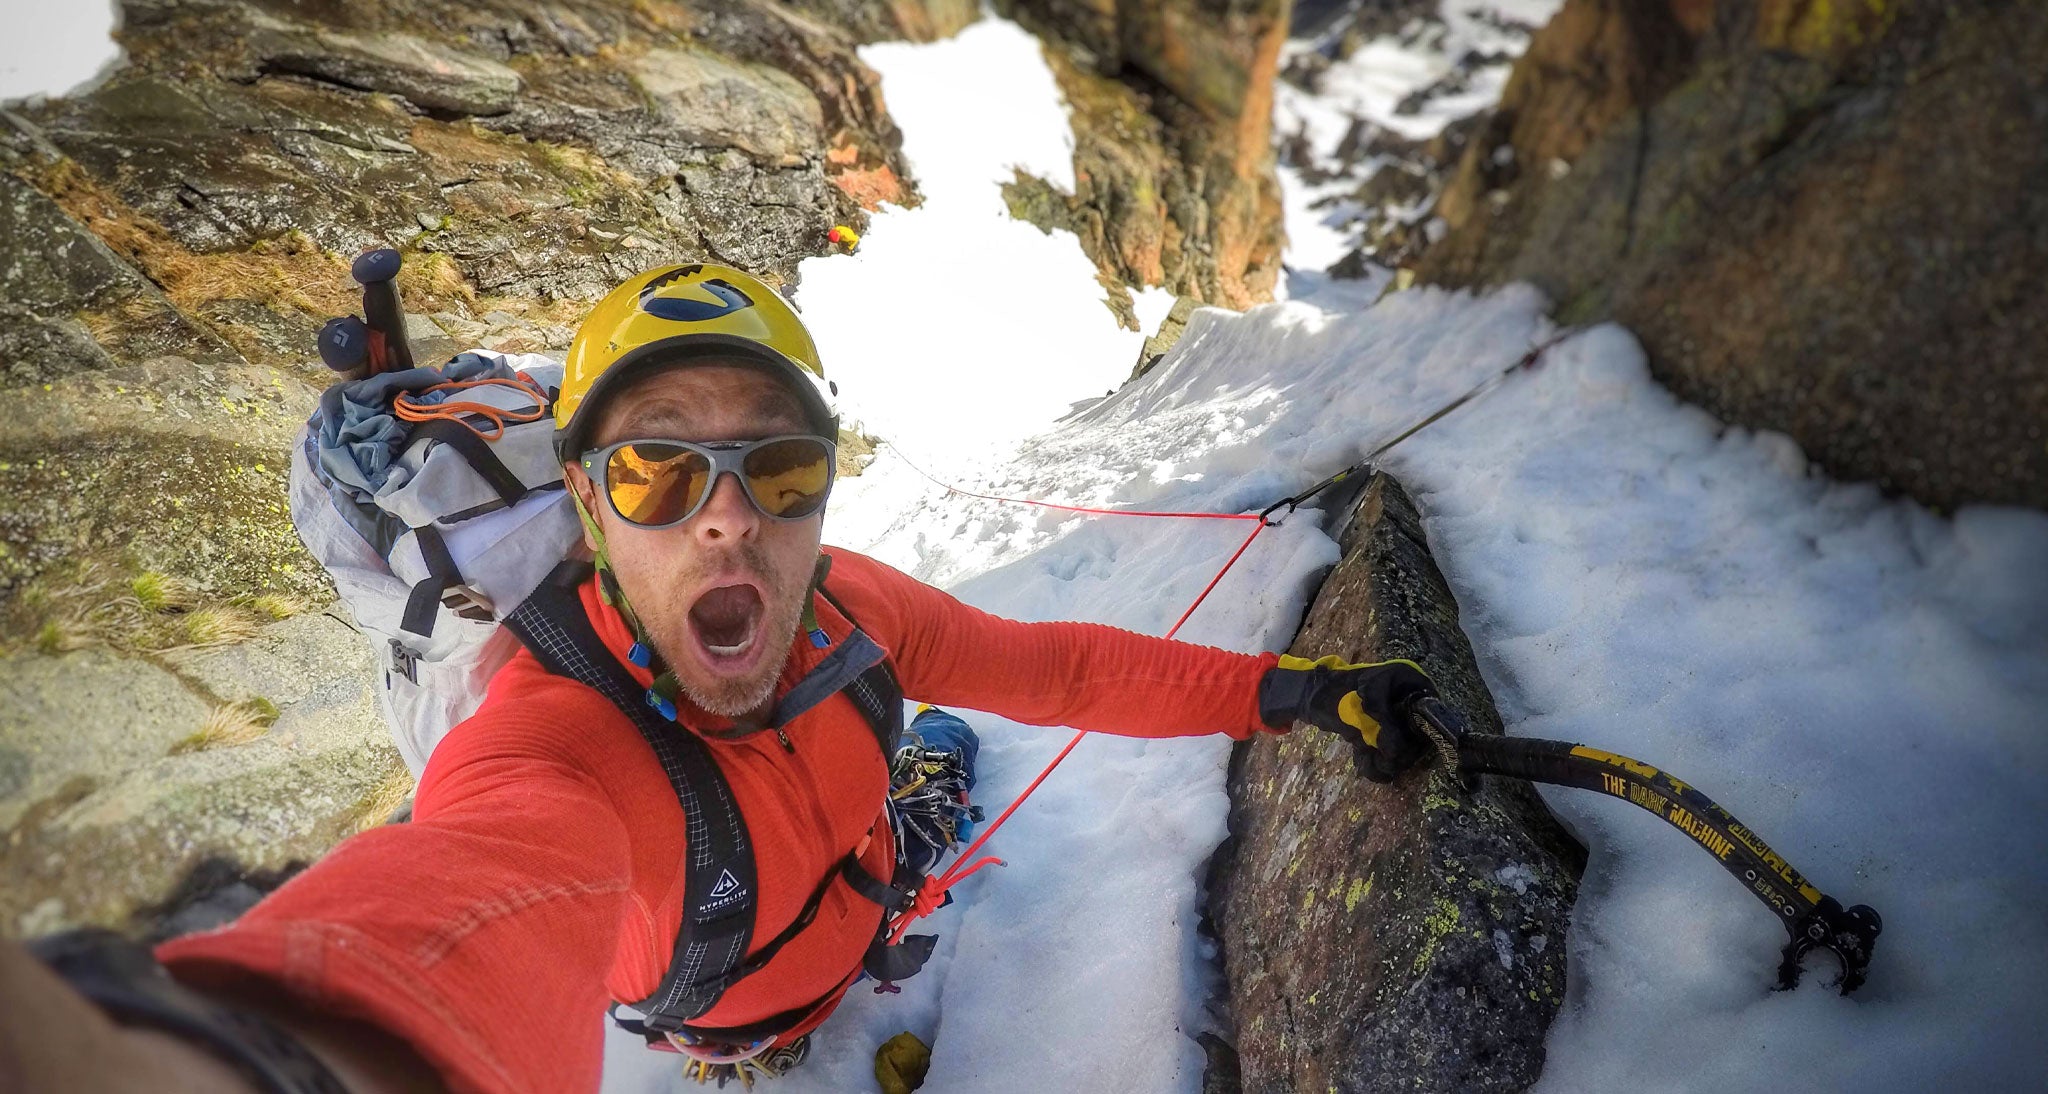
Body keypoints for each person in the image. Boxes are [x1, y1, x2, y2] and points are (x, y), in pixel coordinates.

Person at [0, 264, 1435, 1093]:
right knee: (928, 756)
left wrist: (1289, 694)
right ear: (588, 498)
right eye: (658, 465)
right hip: (745, 1007)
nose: (728, 513)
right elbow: (445, 912)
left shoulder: (851, 609)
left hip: (858, 891)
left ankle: (912, 804)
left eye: (779, 465)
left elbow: (1051, 660)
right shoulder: (550, 751)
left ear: (820, 496)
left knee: (931, 732)